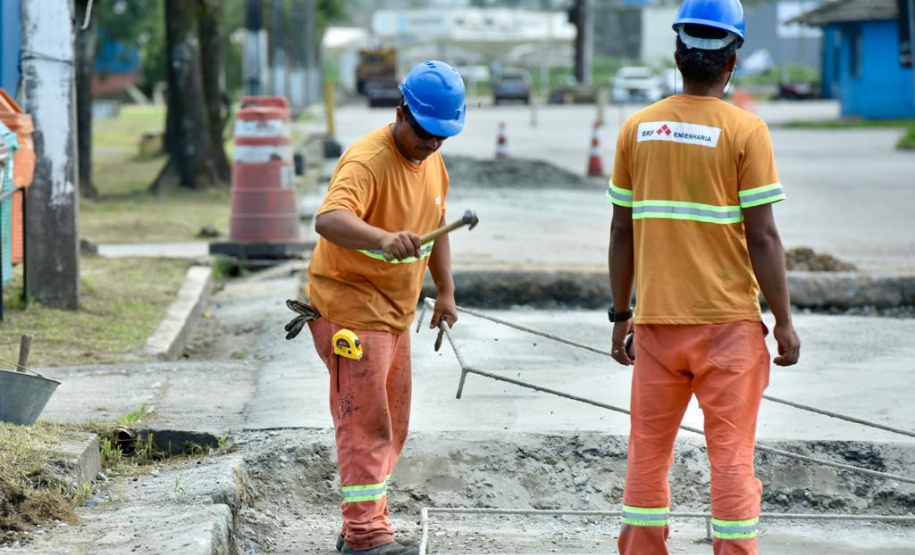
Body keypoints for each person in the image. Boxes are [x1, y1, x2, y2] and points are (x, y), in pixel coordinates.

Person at [606, 1, 801, 554]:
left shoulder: (637, 129)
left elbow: (622, 234)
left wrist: (622, 315)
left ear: (676, 56)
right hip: (728, 329)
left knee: (647, 454)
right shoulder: (746, 130)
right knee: (732, 458)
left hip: (657, 325)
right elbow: (762, 237)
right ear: (732, 62)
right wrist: (783, 321)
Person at [304, 61, 466, 555]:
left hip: (394, 313)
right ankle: (366, 537)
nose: (431, 144)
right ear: (401, 112)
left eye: (441, 135)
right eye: (423, 134)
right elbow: (329, 219)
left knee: (391, 424)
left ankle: (365, 520)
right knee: (364, 425)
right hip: (350, 310)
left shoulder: (433, 160)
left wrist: (446, 291)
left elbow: (436, 225)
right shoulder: (367, 160)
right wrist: (381, 238)